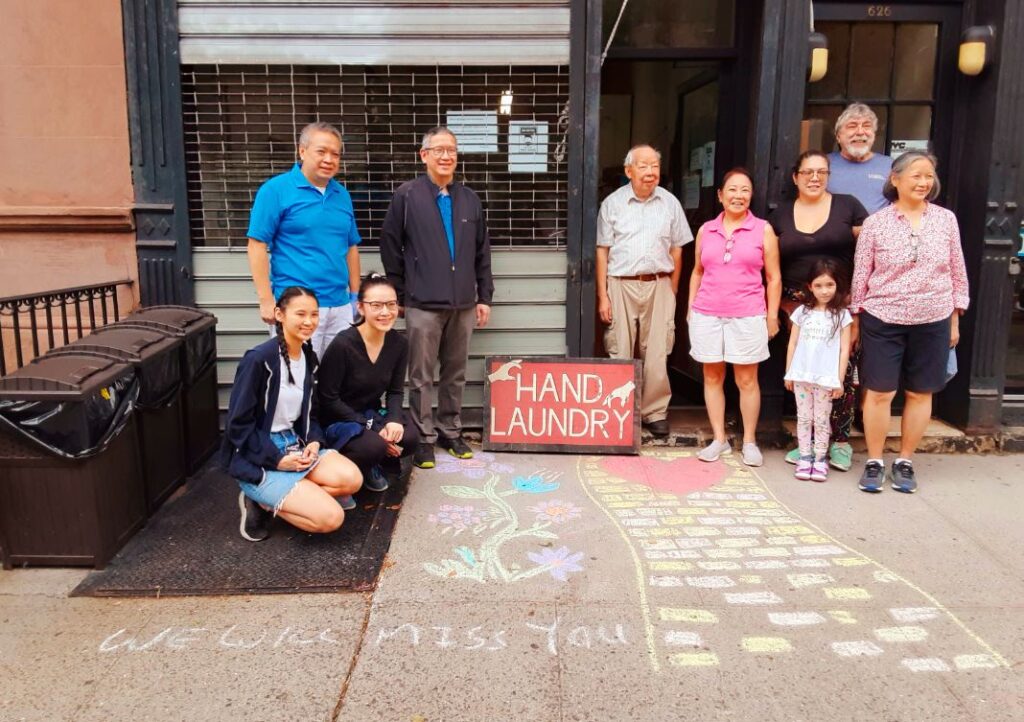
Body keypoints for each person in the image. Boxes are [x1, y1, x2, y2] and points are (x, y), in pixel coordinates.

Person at [851, 151, 969, 494]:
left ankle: (904, 460)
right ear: (896, 179)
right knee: (879, 391)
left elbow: (957, 270)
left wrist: (954, 319)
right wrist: (857, 318)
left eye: (928, 176)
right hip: (883, 317)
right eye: (916, 175)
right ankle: (874, 461)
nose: (923, 182)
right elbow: (862, 274)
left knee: (920, 392)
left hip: (933, 317)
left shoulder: (946, 220)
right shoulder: (876, 223)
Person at [380, 126, 494, 469]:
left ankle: (450, 429)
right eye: (439, 150)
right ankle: (423, 436)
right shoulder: (407, 195)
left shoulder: (469, 199)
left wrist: (483, 296)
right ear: (424, 154)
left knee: (455, 373)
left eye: (452, 151)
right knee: (421, 375)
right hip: (422, 303)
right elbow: (390, 245)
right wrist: (399, 292)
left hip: (462, 304)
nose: (446, 156)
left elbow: (482, 252)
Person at [220, 286, 363, 542]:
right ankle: (259, 497)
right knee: (331, 518)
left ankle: (277, 498)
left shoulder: (308, 357)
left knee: (351, 480)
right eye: (300, 314)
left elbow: (312, 413)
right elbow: (238, 425)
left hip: (294, 444)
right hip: (260, 453)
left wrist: (314, 440)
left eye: (314, 314)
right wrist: (275, 460)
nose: (309, 322)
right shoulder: (259, 360)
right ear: (279, 314)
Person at [769, 150, 867, 472]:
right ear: (795, 177)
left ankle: (838, 442)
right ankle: (807, 444)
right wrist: (780, 306)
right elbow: (771, 263)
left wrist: (857, 306)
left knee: (840, 371)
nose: (815, 178)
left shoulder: (848, 206)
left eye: (822, 172)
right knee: (805, 373)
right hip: (796, 305)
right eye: (808, 172)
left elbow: (869, 253)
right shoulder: (781, 214)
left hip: (840, 303)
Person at [596, 144, 694, 437]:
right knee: (620, 348)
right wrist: (603, 295)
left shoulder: (670, 203)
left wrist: (672, 289)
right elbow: (603, 251)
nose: (651, 172)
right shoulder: (612, 204)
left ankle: (654, 412)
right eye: (643, 166)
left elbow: (678, 249)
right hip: (620, 283)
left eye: (655, 166)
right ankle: (621, 411)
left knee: (657, 351)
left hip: (659, 283)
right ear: (629, 171)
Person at [687, 168, 781, 466]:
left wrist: (772, 316)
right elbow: (697, 271)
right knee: (712, 376)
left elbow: (773, 277)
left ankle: (750, 440)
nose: (738, 196)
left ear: (751, 196)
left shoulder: (762, 229)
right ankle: (719, 439)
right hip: (708, 313)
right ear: (720, 195)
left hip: (748, 313)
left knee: (747, 379)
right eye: (732, 190)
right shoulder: (706, 230)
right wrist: (691, 308)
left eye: (744, 190)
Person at [247, 121, 362, 358]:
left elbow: (350, 247)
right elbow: (257, 245)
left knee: (336, 380)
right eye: (321, 151)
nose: (329, 159)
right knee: (296, 378)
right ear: (302, 151)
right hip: (297, 307)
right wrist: (266, 299)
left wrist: (355, 296)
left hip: (339, 306)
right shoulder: (275, 190)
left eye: (335, 154)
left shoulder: (342, 195)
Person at [318, 273, 419, 491]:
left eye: (391, 304)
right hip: (337, 419)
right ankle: (356, 466)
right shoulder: (343, 344)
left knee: (408, 436)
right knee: (374, 444)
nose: (385, 312)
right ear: (361, 308)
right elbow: (328, 400)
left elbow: (394, 391)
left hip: (369, 414)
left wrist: (392, 420)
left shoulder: (399, 344)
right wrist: (373, 428)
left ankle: (372, 460)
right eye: (376, 305)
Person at [783, 259, 854, 482]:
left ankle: (820, 458)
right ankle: (805, 456)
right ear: (810, 286)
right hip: (802, 376)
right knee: (804, 418)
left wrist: (839, 380)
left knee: (822, 420)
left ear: (837, 286)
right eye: (819, 285)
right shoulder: (802, 313)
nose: (824, 291)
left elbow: (844, 350)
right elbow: (792, 344)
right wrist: (789, 372)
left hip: (825, 378)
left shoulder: (842, 316)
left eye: (829, 285)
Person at [827, 103, 893, 213]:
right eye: (852, 126)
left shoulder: (890, 166)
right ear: (838, 136)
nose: (860, 132)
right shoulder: (823, 164)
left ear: (874, 135)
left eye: (867, 126)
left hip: (877, 230)